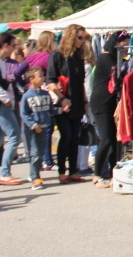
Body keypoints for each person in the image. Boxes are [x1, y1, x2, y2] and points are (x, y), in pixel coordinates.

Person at [47, 24, 88, 183]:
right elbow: (50, 79)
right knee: (66, 136)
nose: (82, 41)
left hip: (77, 100)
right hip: (62, 102)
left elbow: (81, 81)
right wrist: (62, 97)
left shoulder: (78, 56)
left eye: (83, 38)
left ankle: (73, 171)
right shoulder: (57, 55)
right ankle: (62, 171)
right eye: (79, 37)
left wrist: (84, 101)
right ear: (71, 37)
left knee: (75, 137)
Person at [89, 31, 128, 189]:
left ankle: (113, 174)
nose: (126, 47)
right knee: (105, 139)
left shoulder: (116, 58)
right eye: (125, 44)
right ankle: (97, 175)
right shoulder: (106, 58)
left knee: (113, 139)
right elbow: (117, 78)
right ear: (117, 43)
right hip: (101, 103)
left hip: (110, 103)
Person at [0, 33, 24, 186]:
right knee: (14, 136)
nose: (15, 48)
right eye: (13, 45)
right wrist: (6, 99)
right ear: (5, 45)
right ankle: (5, 172)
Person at [14, 31, 57, 170]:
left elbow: (17, 72)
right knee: (47, 125)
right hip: (44, 92)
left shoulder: (31, 56)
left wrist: (24, 85)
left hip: (31, 91)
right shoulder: (48, 57)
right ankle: (47, 160)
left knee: (37, 125)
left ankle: (42, 160)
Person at [19, 67, 56, 190]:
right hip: (32, 129)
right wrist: (34, 125)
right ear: (32, 79)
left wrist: (62, 109)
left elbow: (51, 110)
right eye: (40, 76)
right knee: (34, 153)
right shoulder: (27, 96)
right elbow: (24, 114)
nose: (43, 78)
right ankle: (35, 178)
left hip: (44, 128)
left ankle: (33, 173)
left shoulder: (45, 94)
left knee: (40, 153)